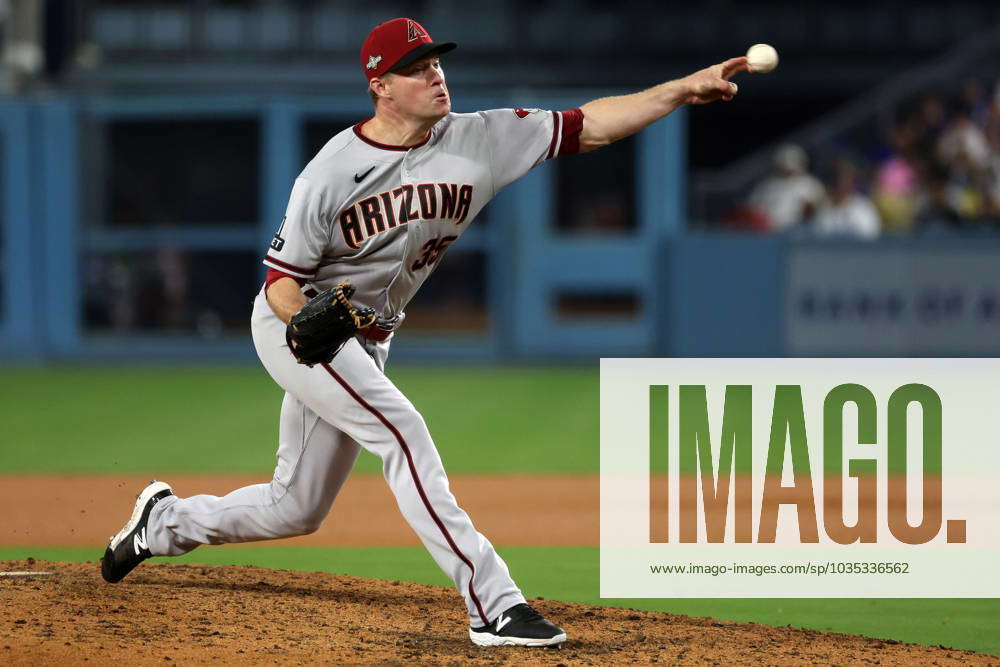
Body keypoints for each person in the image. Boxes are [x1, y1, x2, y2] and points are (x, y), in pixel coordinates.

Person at [100, 17, 749, 648]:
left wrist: (680, 90)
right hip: (304, 329)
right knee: (403, 432)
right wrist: (306, 322)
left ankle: (165, 521)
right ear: (380, 84)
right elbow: (280, 280)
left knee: (296, 506)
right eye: (417, 69)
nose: (436, 75)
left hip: (372, 336)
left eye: (436, 62)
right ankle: (493, 604)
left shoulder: (481, 138)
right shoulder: (332, 170)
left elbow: (591, 126)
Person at [747, 143, 826, 232]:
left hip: (797, 233)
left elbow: (820, 212)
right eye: (785, 165)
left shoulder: (810, 184)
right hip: (767, 233)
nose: (789, 170)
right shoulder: (766, 186)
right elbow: (753, 210)